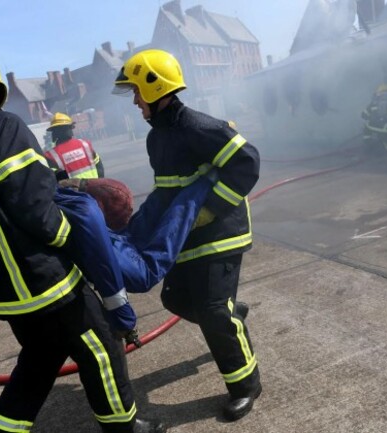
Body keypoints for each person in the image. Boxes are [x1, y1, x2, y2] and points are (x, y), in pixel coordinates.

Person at [0, 46, 165, 433]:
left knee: (39, 360)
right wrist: (78, 241)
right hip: (44, 279)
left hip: (3, 291)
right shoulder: (3, 126)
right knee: (101, 348)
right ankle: (124, 427)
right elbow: (35, 207)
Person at [113, 49, 262, 422]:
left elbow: (247, 162)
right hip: (186, 237)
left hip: (221, 232)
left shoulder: (198, 126)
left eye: (136, 91)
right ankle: (230, 317)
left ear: (154, 87)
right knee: (175, 298)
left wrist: (210, 209)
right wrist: (144, 225)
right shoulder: (157, 138)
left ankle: (245, 385)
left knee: (212, 310)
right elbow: (168, 190)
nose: (134, 101)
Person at [44, 112, 104, 180]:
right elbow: (99, 167)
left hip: (72, 187)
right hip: (94, 185)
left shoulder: (51, 155)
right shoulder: (85, 144)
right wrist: (98, 183)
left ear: (54, 132)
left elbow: (54, 180)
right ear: (71, 128)